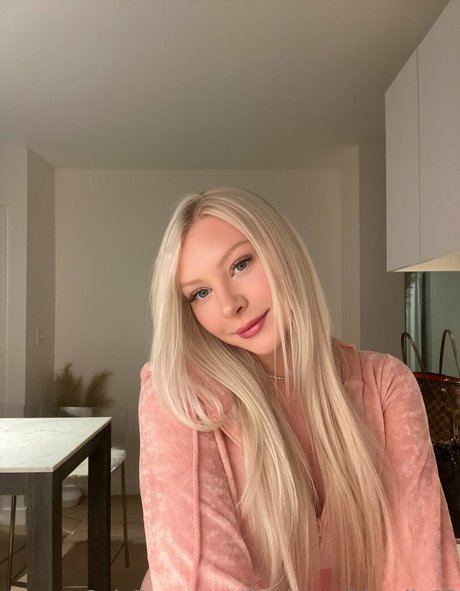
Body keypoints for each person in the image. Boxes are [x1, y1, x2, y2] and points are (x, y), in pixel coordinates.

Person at [138, 187, 460, 591]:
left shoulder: (385, 386)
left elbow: (422, 566)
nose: (229, 305)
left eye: (240, 264)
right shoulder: (181, 395)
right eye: (200, 293)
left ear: (282, 250)